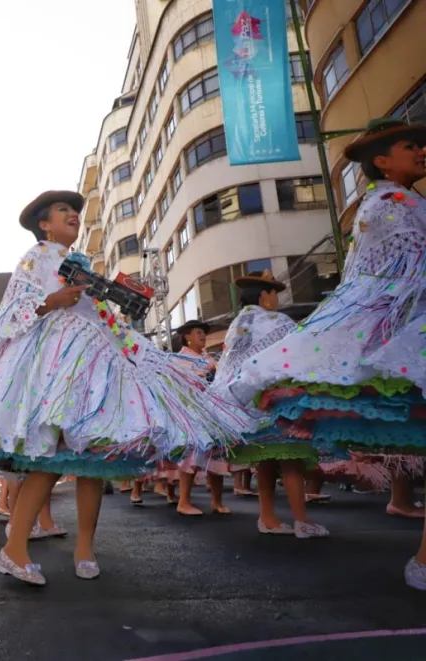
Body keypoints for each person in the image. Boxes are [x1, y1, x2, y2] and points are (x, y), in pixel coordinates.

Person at [0, 190, 251, 585]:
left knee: (93, 462)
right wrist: (51, 300)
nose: (73, 216)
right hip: (54, 365)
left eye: (75, 212)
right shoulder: (35, 258)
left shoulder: (80, 264)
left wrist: (132, 333)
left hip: (94, 365)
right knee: (45, 461)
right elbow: (12, 310)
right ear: (44, 224)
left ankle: (85, 547)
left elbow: (104, 317)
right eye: (63, 210)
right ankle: (14, 548)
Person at [230, 118, 426, 584]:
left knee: (275, 461)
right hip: (276, 392)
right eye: (410, 146)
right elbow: (401, 275)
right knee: (283, 460)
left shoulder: (397, 201)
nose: (421, 151)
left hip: (265, 394)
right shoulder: (391, 204)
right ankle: (290, 518)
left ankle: (278, 516)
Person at [211, 271, 327, 538]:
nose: (276, 298)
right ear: (264, 295)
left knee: (265, 461)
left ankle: (268, 518)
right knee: (291, 460)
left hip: (247, 404)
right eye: (274, 293)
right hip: (278, 401)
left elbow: (231, 367)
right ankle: (301, 520)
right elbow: (298, 353)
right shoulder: (277, 321)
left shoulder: (237, 325)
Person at [171, 320, 231, 516]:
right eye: (198, 332)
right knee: (192, 454)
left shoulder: (207, 357)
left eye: (204, 333)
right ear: (187, 336)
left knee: (217, 454)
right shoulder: (180, 359)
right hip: (192, 412)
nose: (203, 336)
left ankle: (217, 501)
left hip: (213, 411)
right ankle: (183, 501)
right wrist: (205, 373)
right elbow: (180, 386)